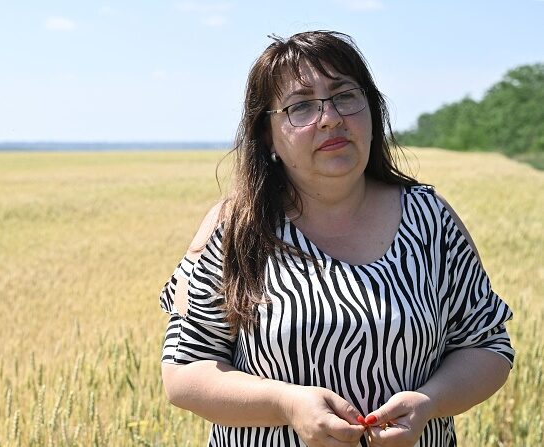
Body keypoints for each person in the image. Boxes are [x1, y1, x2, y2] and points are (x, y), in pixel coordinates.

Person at [159, 30, 514, 447]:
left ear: (372, 111)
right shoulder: (236, 228)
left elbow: (488, 345)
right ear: (267, 136)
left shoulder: (430, 219)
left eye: (345, 95)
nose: (330, 118)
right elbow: (184, 371)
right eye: (301, 106)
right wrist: (286, 403)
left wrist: (430, 401)